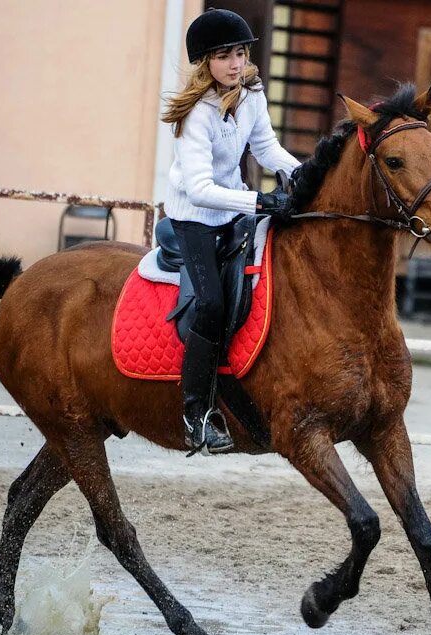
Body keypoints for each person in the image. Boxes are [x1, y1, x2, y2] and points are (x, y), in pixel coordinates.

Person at [161, 8, 299, 454]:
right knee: (213, 305)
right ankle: (195, 415)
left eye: (240, 53)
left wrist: (305, 175)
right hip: (194, 219)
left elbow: (266, 147)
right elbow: (200, 190)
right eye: (224, 56)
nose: (236, 63)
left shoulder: (252, 95)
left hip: (235, 211)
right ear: (206, 64)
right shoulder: (195, 115)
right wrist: (260, 201)